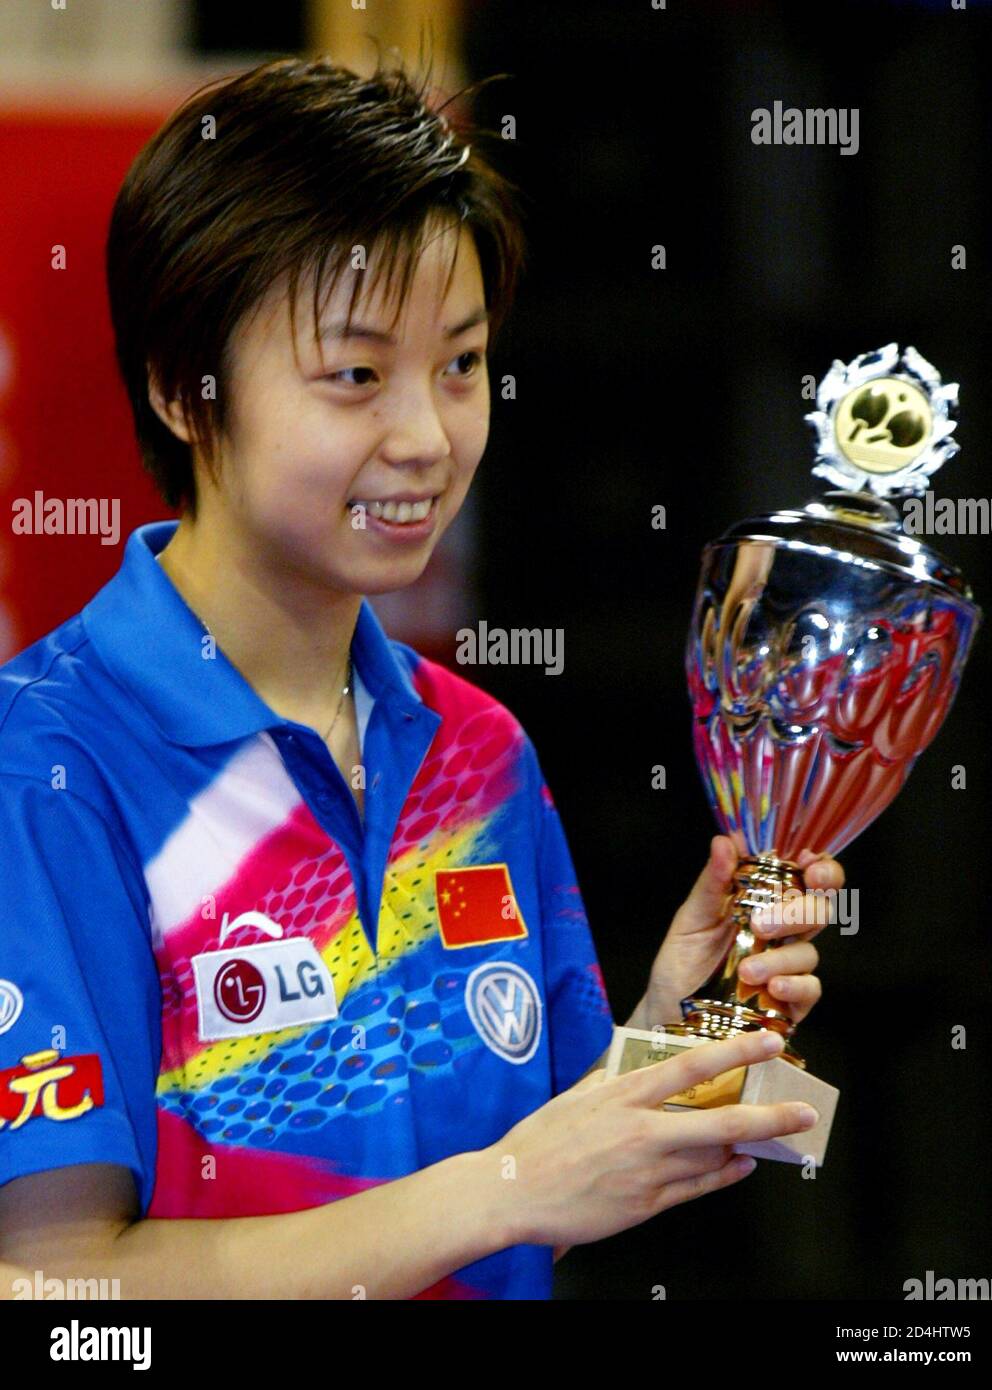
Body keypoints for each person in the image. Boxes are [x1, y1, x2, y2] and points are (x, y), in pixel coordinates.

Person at [0, 53, 842, 1300]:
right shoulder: (46, 768)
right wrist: (509, 1187)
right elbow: (58, 1292)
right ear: (186, 389)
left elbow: (523, 1198)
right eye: (356, 374)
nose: (427, 437)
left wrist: (677, 1018)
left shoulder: (476, 746)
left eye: (458, 365)